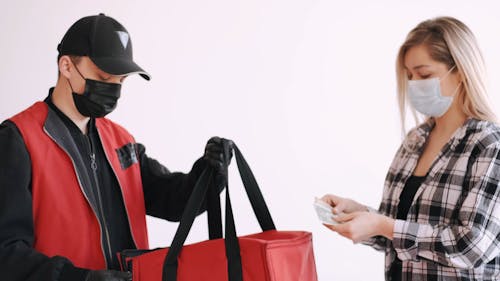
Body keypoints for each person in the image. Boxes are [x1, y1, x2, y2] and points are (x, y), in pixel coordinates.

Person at [0, 13, 232, 281]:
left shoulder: (122, 142)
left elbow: (171, 199)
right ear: (66, 66)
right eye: (104, 76)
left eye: (121, 81)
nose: (114, 89)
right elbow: (6, 254)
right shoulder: (17, 140)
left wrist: (208, 175)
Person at [321, 17, 500, 280]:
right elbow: (397, 234)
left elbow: (472, 247)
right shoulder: (414, 140)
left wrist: (384, 225)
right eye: (409, 75)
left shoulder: (489, 145)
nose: (415, 83)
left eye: (424, 74)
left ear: (461, 70)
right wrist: (359, 215)